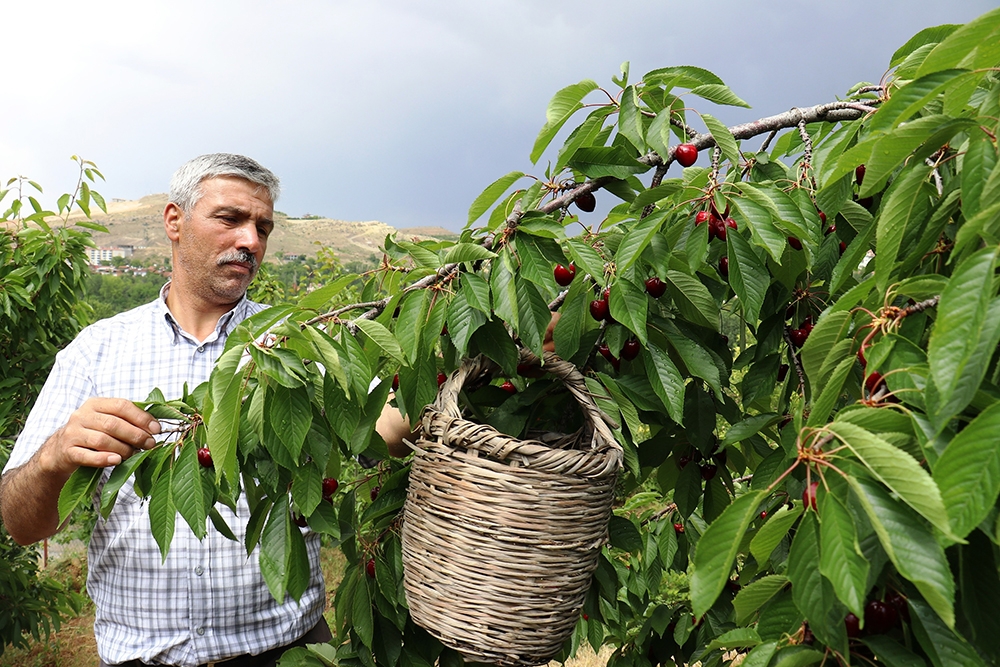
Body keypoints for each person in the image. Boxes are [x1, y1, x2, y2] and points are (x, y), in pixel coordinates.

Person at [0, 153, 411, 667]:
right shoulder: (94, 352)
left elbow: (391, 430)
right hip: (142, 658)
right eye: (230, 219)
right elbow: (21, 524)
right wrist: (54, 455)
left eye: (263, 227)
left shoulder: (301, 339)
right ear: (174, 221)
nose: (251, 241)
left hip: (286, 652)